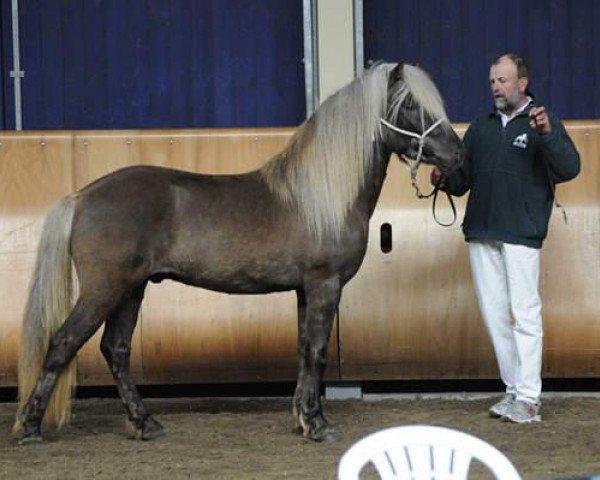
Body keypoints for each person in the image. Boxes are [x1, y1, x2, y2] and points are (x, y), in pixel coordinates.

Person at [431, 53, 580, 423]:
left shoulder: (541, 122)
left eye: (503, 80)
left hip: (520, 232)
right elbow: (463, 181)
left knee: (525, 315)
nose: (495, 87)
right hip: (482, 231)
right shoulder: (481, 127)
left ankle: (529, 398)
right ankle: (514, 391)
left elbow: (569, 168)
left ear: (522, 83)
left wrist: (547, 134)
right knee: (496, 317)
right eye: (492, 81)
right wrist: (444, 180)